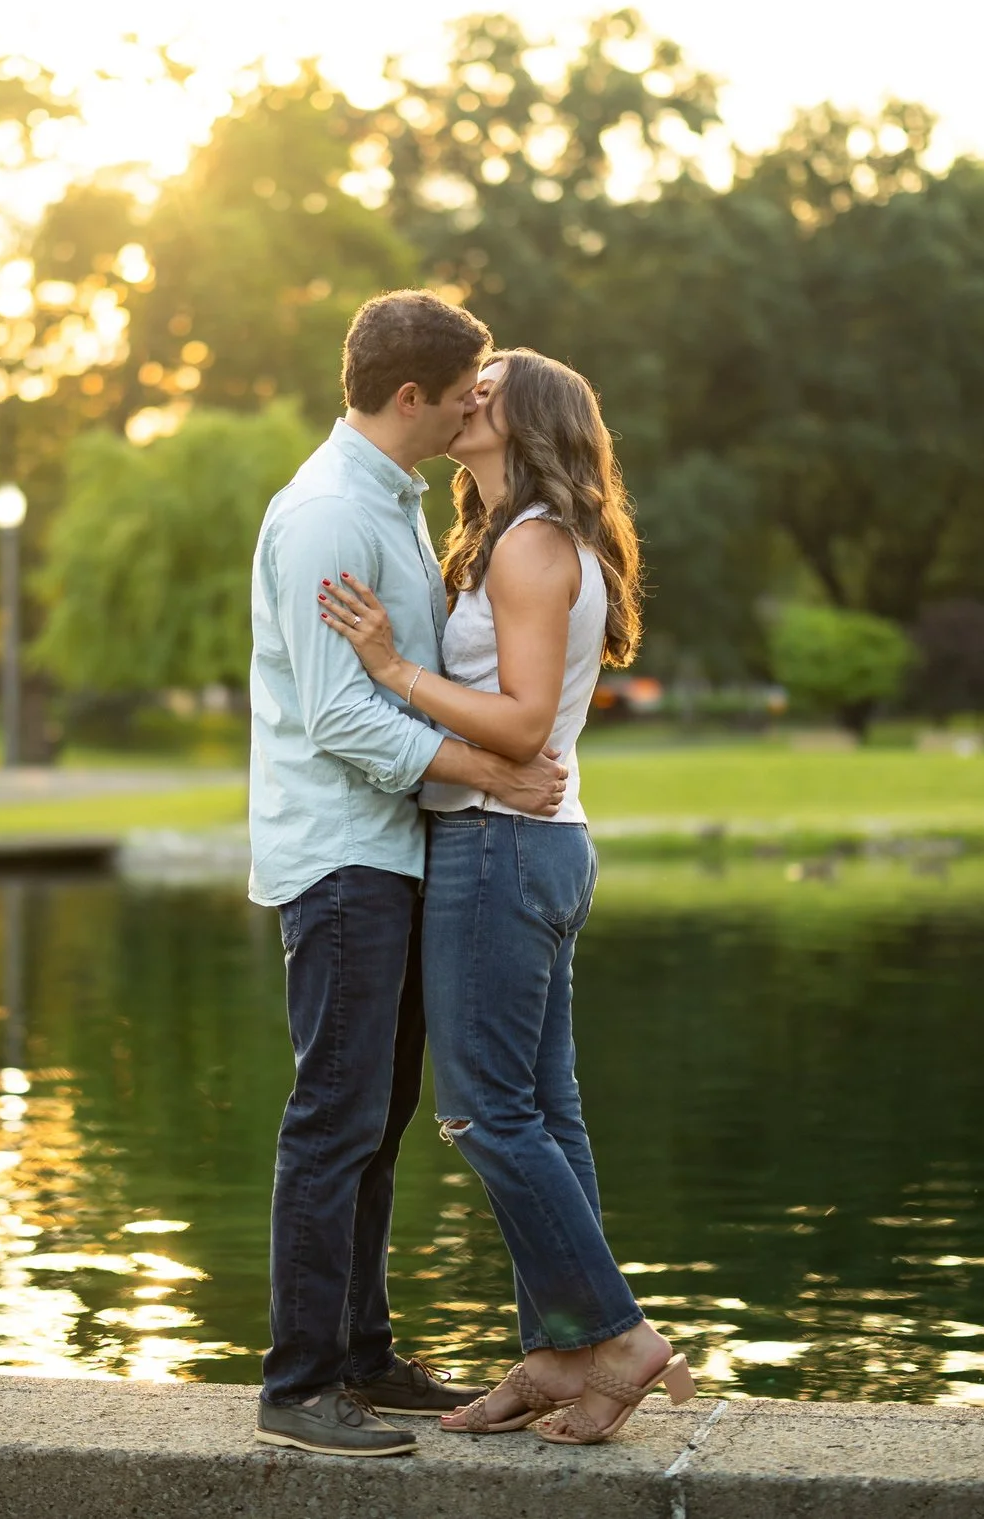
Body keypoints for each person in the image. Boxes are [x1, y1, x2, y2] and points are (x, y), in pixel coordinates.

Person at [316, 348, 695, 1446]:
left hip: (500, 847)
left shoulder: (531, 544)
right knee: (542, 1109)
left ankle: (613, 1333)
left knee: (484, 1108)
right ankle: (565, 1355)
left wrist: (391, 668)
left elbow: (525, 722)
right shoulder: (504, 537)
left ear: (529, 424)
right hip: (526, 845)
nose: (463, 397)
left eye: (487, 391)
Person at [247, 292, 572, 1458]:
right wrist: (485, 762)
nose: (472, 408)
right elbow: (339, 715)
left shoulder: (392, 502)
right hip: (341, 853)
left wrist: (475, 764)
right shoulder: (331, 513)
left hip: (392, 851)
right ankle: (298, 1383)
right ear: (407, 399)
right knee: (334, 1116)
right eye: (463, 392)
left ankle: (364, 1351)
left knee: (375, 1121)